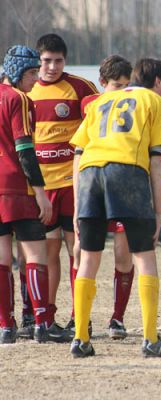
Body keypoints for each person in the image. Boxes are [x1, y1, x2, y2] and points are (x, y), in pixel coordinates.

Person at [69, 58, 161, 358]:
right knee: (144, 256)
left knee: (89, 258)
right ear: (156, 83)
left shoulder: (101, 102)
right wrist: (159, 212)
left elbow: (77, 155)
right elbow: (157, 160)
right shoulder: (155, 103)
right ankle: (151, 339)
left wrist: (79, 205)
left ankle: (80, 338)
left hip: (90, 174)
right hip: (127, 173)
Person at [29, 33, 98, 342]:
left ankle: (79, 317)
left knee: (78, 250)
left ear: (65, 60)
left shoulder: (80, 88)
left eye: (58, 61)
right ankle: (48, 314)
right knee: (47, 252)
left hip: (73, 184)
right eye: (46, 61)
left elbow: (105, 106)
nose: (52, 67)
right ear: (38, 60)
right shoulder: (25, 91)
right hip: (41, 188)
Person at [78, 55, 134, 340]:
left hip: (123, 184)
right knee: (86, 254)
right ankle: (81, 321)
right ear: (102, 83)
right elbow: (81, 146)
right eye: (116, 85)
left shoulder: (133, 104)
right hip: (94, 184)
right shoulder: (90, 105)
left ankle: (117, 318)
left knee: (123, 254)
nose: (122, 90)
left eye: (127, 85)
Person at [0, 45, 52, 343]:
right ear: (17, 72)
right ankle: (40, 322)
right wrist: (41, 194)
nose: (37, 78)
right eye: (32, 72)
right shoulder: (18, 99)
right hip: (18, 187)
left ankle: (6, 326)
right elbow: (24, 150)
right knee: (35, 255)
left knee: (2, 257)